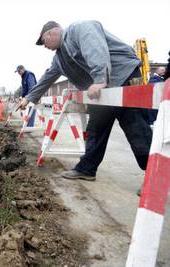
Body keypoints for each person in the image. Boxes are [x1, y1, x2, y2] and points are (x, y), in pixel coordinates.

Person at [18, 20, 152, 185]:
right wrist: (29, 98)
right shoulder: (59, 58)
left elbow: (95, 49)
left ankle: (156, 175)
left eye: (43, 42)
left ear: (51, 33)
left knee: (136, 127)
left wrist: (99, 78)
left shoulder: (80, 29)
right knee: (96, 127)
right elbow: (48, 77)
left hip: (123, 76)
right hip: (105, 87)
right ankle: (86, 169)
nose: (44, 46)